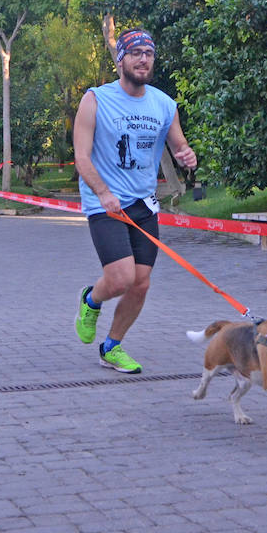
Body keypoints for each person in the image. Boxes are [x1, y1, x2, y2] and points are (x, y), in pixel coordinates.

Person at [72, 29, 197, 374]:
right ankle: (91, 300)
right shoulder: (95, 99)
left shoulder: (164, 104)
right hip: (105, 204)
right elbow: (81, 157)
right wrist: (103, 193)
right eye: (136, 52)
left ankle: (111, 346)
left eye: (149, 53)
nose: (143, 59)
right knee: (121, 278)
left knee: (140, 283)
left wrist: (187, 155)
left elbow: (178, 145)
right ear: (120, 60)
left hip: (144, 204)